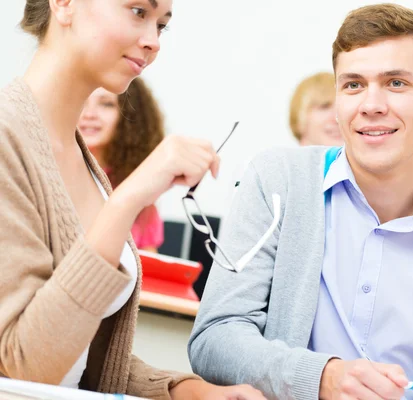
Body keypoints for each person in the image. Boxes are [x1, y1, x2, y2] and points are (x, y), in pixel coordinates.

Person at [189, 3, 413, 400]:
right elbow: (215, 338)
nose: (371, 104)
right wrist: (322, 378)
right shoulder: (277, 179)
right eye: (353, 85)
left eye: (396, 83)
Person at [0, 1, 264, 399]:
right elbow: (26, 367)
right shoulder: (6, 140)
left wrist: (191, 392)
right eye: (139, 11)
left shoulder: (82, 165)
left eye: (162, 26)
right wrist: (128, 199)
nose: (153, 41)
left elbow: (85, 361)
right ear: (65, 5)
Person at [79, 78, 165, 252]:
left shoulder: (139, 191)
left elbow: (149, 271)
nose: (89, 114)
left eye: (106, 104)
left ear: (129, 117)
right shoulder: (51, 176)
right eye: (81, 102)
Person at [289, 72, 343, 146]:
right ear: (299, 115)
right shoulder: (275, 156)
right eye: (324, 106)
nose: (338, 118)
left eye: (342, 107)